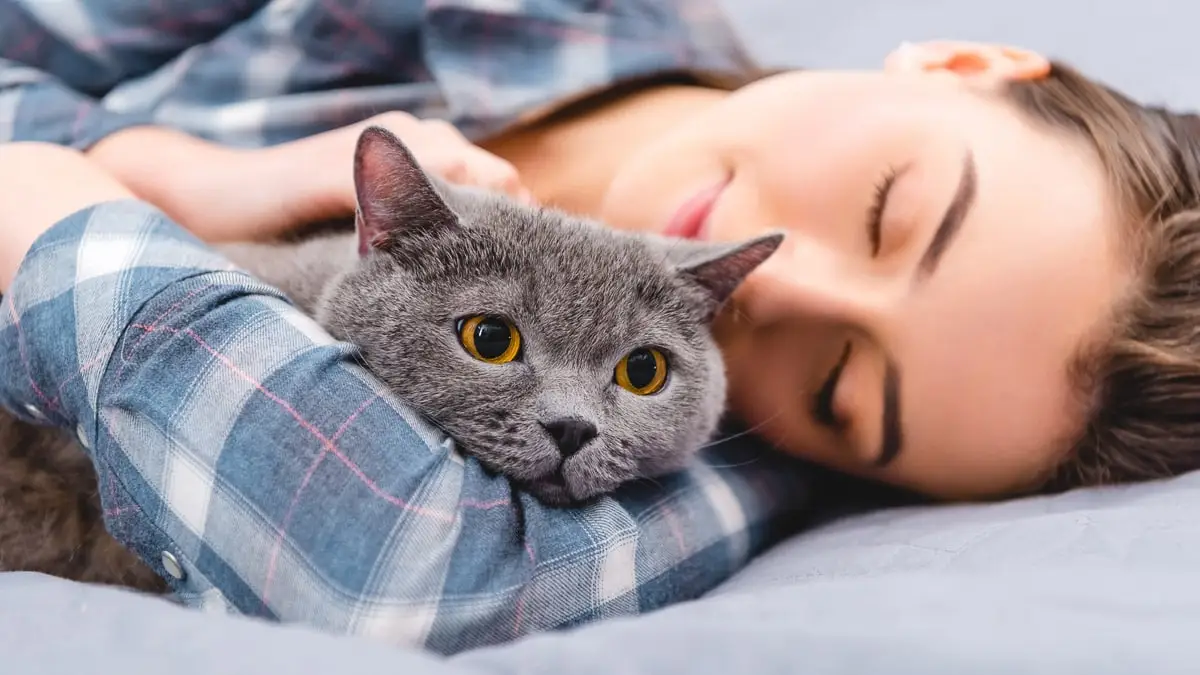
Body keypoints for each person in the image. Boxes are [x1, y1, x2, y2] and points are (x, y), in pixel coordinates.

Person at [3, 0, 1200, 649]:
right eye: (894, 209)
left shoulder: (732, 463)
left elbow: (403, 568)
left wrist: (57, 201)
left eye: (838, 386)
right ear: (960, 62)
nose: (782, 290)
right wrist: (151, 166)